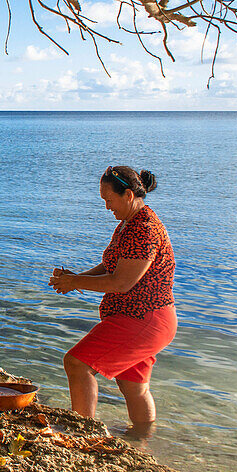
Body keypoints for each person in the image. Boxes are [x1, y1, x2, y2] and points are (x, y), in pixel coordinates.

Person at [49, 166, 177, 438]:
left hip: (144, 319)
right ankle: (141, 441)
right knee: (133, 386)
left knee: (77, 364)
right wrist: (76, 278)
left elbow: (121, 282)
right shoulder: (130, 223)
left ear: (128, 194)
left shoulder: (143, 229)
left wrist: (75, 283)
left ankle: (81, 434)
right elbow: (112, 266)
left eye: (109, 200)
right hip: (148, 318)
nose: (106, 207)